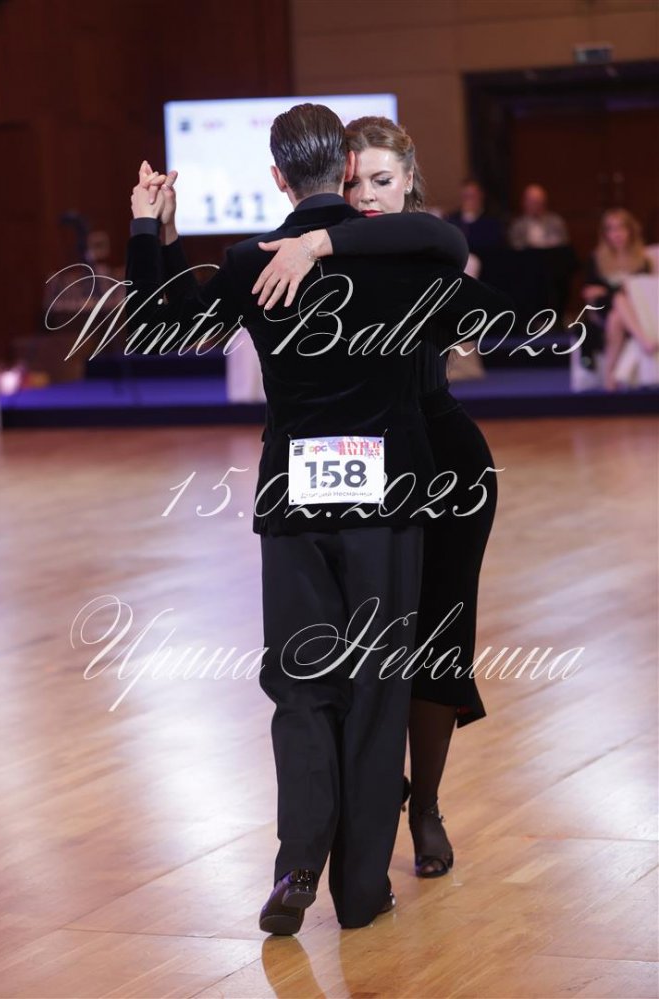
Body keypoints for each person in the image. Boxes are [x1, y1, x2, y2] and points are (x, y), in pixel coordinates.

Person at [125, 105, 509, 933]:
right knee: (375, 694)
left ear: (276, 177)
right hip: (389, 508)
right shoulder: (405, 259)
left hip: (293, 510)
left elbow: (158, 325)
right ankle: (361, 890)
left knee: (300, 689)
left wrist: (152, 231)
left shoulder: (252, 261)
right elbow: (483, 297)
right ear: (344, 171)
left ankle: (298, 861)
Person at [251, 115, 501, 880]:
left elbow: (445, 242)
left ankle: (424, 805)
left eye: (384, 182)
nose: (366, 196)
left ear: (410, 181)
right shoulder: (309, 250)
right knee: (356, 649)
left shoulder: (419, 246)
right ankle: (366, 795)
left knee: (438, 639)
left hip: (444, 465)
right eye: (355, 182)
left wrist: (320, 242)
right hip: (362, 471)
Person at [580, 207, 655, 390]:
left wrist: (606, 290)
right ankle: (643, 340)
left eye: (621, 228)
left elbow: (644, 291)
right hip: (601, 310)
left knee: (617, 315)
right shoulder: (596, 259)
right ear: (605, 234)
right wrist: (614, 291)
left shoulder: (643, 260)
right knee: (618, 302)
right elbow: (589, 292)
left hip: (633, 313)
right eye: (611, 229)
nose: (617, 234)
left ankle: (609, 374)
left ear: (630, 231)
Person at [445, 179, 505, 256]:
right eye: (465, 196)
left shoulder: (491, 222)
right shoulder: (452, 220)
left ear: (481, 196)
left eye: (472, 196)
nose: (468, 201)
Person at [508, 184, 569, 250]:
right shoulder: (517, 225)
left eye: (538, 202)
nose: (535, 206)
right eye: (531, 202)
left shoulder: (556, 222)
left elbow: (564, 244)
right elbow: (515, 246)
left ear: (544, 202)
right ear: (524, 203)